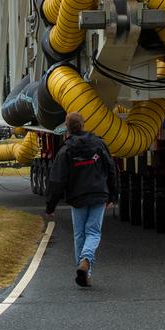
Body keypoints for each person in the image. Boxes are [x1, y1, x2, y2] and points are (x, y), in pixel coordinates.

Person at [44, 111, 118, 287]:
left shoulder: (66, 150)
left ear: (67, 128)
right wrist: (113, 194)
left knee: (79, 234)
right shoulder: (99, 144)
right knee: (93, 231)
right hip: (99, 194)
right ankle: (86, 262)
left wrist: (51, 206)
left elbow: (56, 180)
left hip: (77, 197)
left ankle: (84, 268)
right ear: (83, 124)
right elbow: (111, 169)